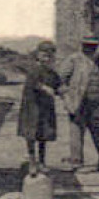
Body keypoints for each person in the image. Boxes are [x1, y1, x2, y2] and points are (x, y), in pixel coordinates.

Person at [62, 36, 99, 170]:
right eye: (88, 46)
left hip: (98, 103)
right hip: (79, 102)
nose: (90, 49)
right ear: (82, 46)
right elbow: (61, 80)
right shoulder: (74, 59)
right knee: (76, 131)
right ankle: (76, 161)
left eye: (93, 46)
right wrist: (67, 98)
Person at [17, 40, 61, 175]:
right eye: (44, 55)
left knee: (43, 135)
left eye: (50, 56)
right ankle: (32, 162)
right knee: (31, 135)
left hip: (45, 108)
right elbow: (33, 84)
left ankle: (42, 162)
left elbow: (58, 85)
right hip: (32, 108)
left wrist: (64, 91)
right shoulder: (33, 69)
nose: (47, 58)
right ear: (38, 55)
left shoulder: (52, 73)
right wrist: (44, 88)